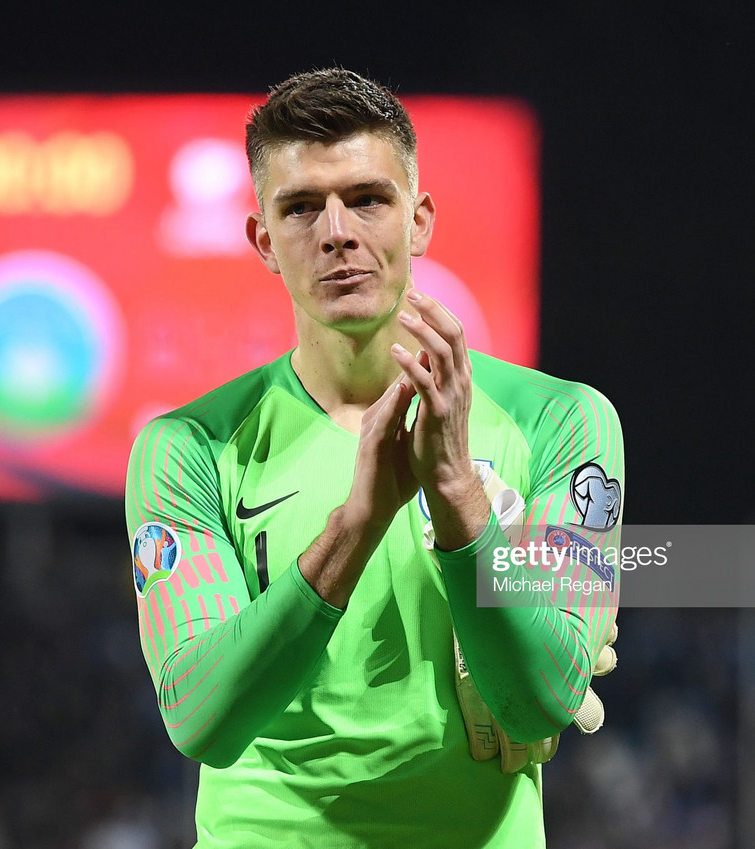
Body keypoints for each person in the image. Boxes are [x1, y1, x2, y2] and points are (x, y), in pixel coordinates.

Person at [126, 67, 624, 848]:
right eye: (299, 208)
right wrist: (358, 524)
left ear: (419, 220)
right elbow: (200, 718)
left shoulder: (563, 421)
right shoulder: (185, 446)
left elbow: (540, 703)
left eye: (367, 198)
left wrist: (461, 502)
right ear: (263, 240)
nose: (336, 231)